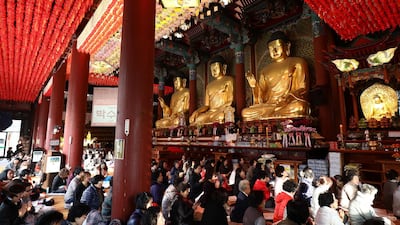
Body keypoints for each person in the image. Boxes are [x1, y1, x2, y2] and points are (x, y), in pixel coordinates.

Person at [242, 31, 309, 121]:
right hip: (270, 105)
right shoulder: (264, 71)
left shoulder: (297, 62)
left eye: (277, 47)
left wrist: (288, 97)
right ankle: (275, 114)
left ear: (287, 46)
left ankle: (273, 115)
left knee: (300, 107)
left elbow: (303, 88)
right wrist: (254, 86)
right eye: (271, 49)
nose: (274, 51)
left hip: (287, 103)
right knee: (246, 112)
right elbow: (261, 99)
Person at [189, 55, 235, 125]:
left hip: (221, 111)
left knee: (221, 116)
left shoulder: (228, 80)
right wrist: (197, 111)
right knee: (195, 120)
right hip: (210, 113)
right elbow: (206, 106)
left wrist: (219, 109)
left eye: (216, 67)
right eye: (212, 68)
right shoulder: (209, 86)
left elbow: (230, 101)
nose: (214, 70)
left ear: (223, 67)